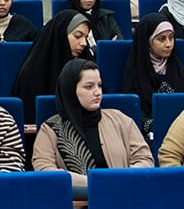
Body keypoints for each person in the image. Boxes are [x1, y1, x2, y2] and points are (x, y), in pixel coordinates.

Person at [32, 59, 154, 187]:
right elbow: (44, 169)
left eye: (99, 85)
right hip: (76, 198)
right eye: (89, 87)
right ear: (71, 89)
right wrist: (96, 183)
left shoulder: (121, 120)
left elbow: (144, 159)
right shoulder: (51, 129)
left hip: (122, 194)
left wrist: (121, 179)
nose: (97, 92)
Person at [9, 8, 96, 116]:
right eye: (78, 36)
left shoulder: (86, 65)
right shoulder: (32, 74)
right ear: (60, 35)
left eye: (86, 37)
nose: (84, 43)